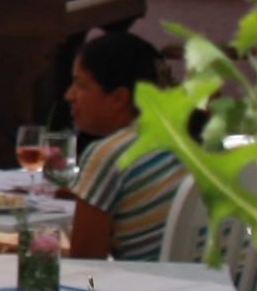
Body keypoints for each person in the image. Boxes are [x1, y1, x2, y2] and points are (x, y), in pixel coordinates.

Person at [61, 31, 187, 261]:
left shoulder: (111, 154)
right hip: (241, 288)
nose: (69, 95)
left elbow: (87, 263)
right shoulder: (181, 137)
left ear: (119, 98)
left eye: (81, 85)